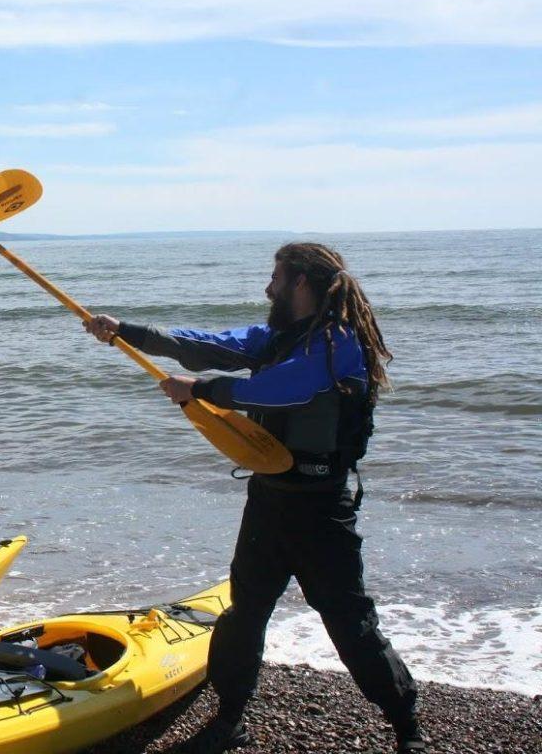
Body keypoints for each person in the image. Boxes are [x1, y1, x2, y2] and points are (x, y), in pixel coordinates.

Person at [84, 243, 423, 754]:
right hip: (269, 501)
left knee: (350, 625)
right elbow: (207, 344)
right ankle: (230, 719)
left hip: (321, 510)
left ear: (302, 283)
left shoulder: (339, 345)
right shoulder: (278, 338)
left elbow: (283, 390)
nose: (268, 288)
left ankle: (407, 728)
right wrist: (127, 332)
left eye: (276, 278)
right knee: (245, 614)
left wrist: (199, 391)